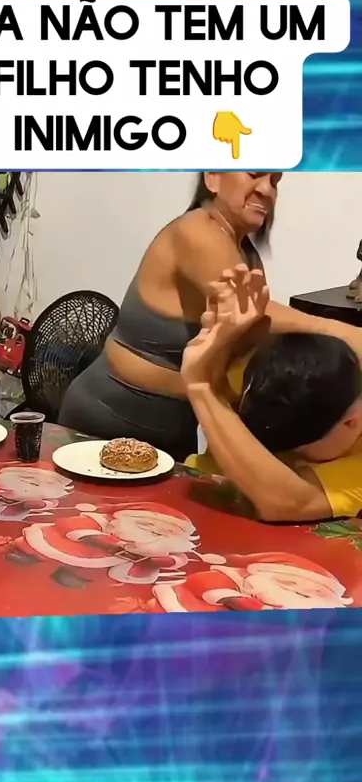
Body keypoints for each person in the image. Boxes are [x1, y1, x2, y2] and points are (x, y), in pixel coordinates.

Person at [59, 171, 362, 461]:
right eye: (254, 175)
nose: (267, 190)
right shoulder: (195, 231)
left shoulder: (247, 255)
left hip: (174, 429)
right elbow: (251, 309)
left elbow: (251, 332)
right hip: (106, 418)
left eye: (275, 181)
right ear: (212, 177)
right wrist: (344, 332)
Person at [182, 264, 362, 522]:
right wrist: (225, 334)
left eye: (301, 445)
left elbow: (289, 503)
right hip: (197, 492)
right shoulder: (268, 370)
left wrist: (200, 387)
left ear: (351, 422)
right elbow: (255, 318)